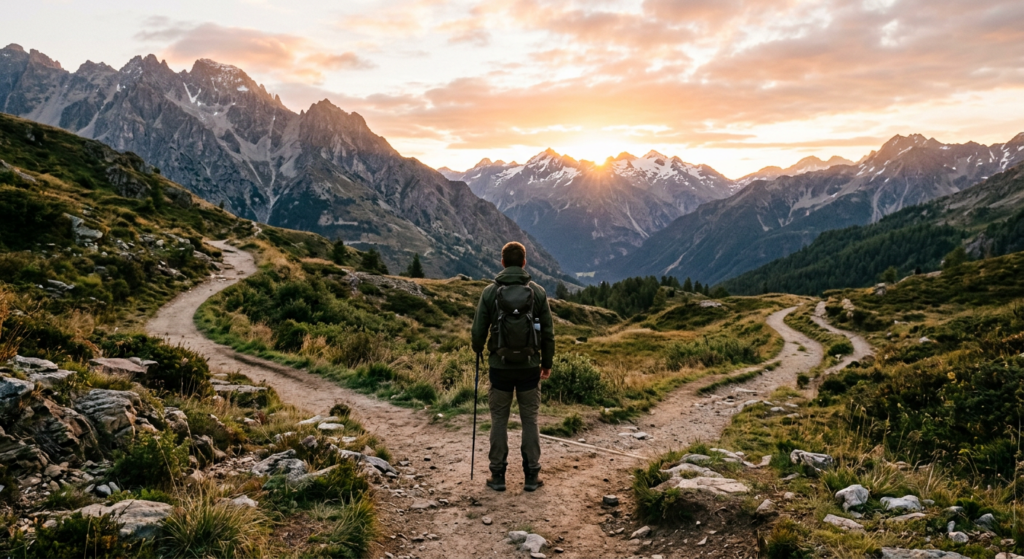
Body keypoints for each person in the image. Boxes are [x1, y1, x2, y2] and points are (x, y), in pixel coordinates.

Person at [471, 241, 555, 492]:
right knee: (530, 420)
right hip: (530, 367)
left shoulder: (489, 292)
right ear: (525, 262)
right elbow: (548, 333)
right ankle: (532, 476)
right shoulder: (537, 292)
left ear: (503, 262)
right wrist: (546, 364)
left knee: (499, 420)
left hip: (500, 367)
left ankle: (498, 476)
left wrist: (478, 349)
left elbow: (478, 331)